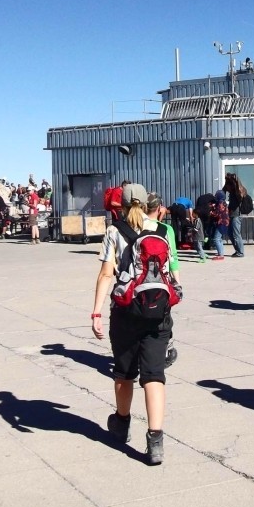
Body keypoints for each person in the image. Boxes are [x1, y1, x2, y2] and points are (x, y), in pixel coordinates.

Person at [91, 183, 181, 466]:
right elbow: (172, 272)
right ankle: (155, 440)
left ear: (123, 205)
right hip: (158, 312)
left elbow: (106, 275)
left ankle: (121, 422)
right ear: (147, 203)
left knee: (124, 373)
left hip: (126, 311)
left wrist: (96, 313)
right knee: (154, 375)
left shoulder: (114, 231)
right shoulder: (164, 231)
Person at [223, 172, 246, 257]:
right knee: (230, 233)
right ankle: (237, 250)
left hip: (236, 215)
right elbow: (223, 190)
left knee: (236, 234)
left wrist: (235, 181)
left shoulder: (238, 191)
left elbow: (239, 193)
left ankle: (240, 252)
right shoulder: (231, 192)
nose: (227, 188)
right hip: (231, 215)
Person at [209, 191, 230, 261]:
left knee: (216, 239)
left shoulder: (220, 203)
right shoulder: (223, 202)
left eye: (216, 195)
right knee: (219, 239)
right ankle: (221, 253)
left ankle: (220, 255)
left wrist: (211, 212)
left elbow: (218, 213)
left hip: (222, 222)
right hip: (225, 222)